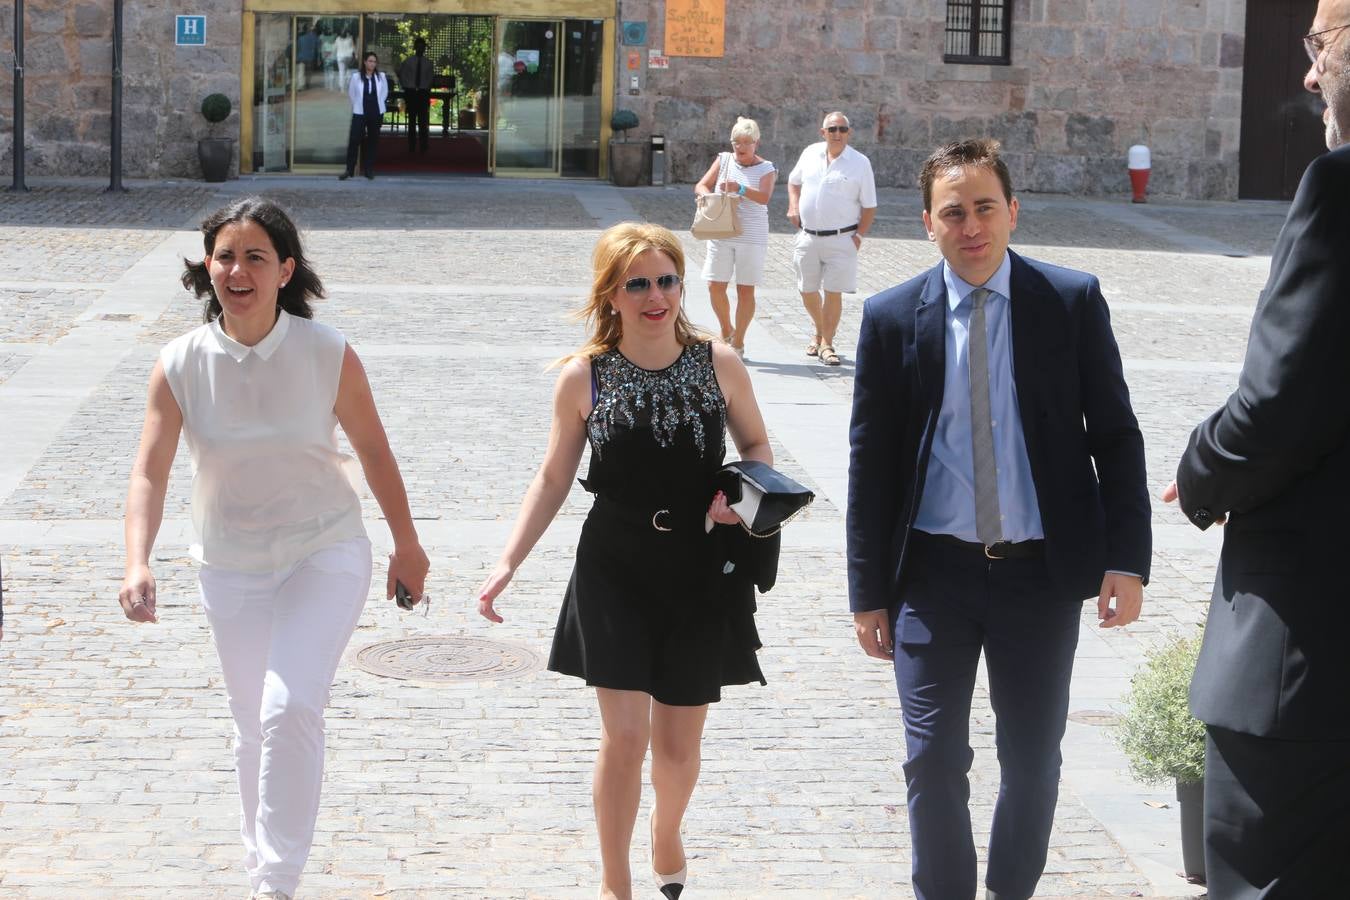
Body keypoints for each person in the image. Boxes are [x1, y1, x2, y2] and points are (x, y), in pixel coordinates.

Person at [847, 139, 1151, 900]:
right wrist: (866, 593)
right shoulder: (892, 320)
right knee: (931, 756)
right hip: (932, 574)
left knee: (1032, 757)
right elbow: (871, 463)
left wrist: (1128, 559)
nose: (971, 224)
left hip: (1040, 576)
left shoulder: (1070, 302)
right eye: (953, 211)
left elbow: (1115, 435)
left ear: (1013, 212)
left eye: (985, 207)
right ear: (927, 223)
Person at [118, 197, 430, 900]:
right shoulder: (179, 364)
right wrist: (137, 561)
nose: (238, 270)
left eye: (256, 256)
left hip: (325, 552)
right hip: (229, 565)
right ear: (208, 267)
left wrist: (407, 545)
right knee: (251, 725)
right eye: (226, 256)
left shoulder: (328, 353)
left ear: (286, 270)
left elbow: (375, 451)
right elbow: (149, 470)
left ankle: (275, 884)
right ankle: (262, 865)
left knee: (289, 709)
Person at [477, 223, 777, 900]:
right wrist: (507, 563)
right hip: (614, 564)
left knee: (675, 751)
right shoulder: (583, 377)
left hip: (699, 569)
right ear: (611, 292)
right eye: (638, 282)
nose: (655, 295)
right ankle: (617, 886)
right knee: (626, 739)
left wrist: (738, 493)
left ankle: (666, 830)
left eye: (667, 279)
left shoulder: (718, 362)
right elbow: (553, 479)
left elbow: (757, 444)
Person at [1162, 2, 1350, 894]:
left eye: (1322, 46)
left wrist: (1198, 471)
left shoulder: (1340, 191)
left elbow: (1277, 406)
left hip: (1311, 663)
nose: (1308, 74)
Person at [786, 111, 877, 366]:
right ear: (823, 132)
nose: (838, 134)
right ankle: (819, 328)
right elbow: (793, 182)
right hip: (807, 236)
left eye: (843, 129)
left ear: (849, 133)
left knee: (833, 292)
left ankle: (827, 343)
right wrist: (793, 206)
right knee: (807, 289)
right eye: (833, 129)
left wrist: (859, 236)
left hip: (842, 238)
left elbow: (870, 205)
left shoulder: (860, 163)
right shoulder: (809, 153)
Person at [693, 117, 777, 358]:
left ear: (756, 143)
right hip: (721, 231)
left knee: (745, 290)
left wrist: (739, 189)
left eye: (746, 142)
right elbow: (701, 185)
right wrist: (705, 196)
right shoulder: (724, 160)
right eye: (736, 142)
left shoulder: (767, 168)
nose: (741, 147)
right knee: (714, 285)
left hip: (751, 235)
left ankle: (738, 342)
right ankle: (726, 329)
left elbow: (764, 197)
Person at [340, 52, 387, 181]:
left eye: (374, 62)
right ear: (365, 62)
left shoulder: (381, 77)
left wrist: (378, 105)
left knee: (372, 140)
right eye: (370, 61)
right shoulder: (356, 77)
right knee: (354, 139)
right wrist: (358, 105)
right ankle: (349, 169)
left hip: (376, 112)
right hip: (360, 111)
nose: (372, 64)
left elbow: (384, 93)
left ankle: (368, 169)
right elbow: (352, 93)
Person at [397, 38, 434, 155]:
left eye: (422, 47)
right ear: (415, 48)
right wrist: (407, 87)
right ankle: (411, 146)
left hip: (423, 93)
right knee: (412, 121)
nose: (420, 49)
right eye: (418, 46)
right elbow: (402, 76)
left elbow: (430, 78)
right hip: (411, 92)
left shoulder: (428, 63)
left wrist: (426, 88)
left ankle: (423, 146)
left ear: (424, 48)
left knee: (423, 121)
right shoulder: (408, 62)